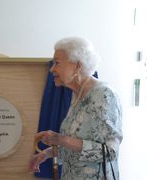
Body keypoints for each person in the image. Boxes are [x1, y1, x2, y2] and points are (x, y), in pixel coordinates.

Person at [29, 37, 122, 179]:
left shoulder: (104, 95)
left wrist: (61, 139)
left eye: (57, 63)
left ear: (78, 66)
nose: (52, 69)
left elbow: (109, 152)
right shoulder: (77, 95)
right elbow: (77, 146)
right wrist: (46, 153)